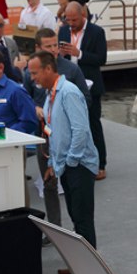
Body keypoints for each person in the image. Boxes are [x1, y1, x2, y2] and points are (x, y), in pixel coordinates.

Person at [28, 50, 99, 274]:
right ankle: (77, 265)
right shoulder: (51, 95)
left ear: (49, 69)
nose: (32, 78)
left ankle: (89, 272)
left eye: (35, 73)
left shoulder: (68, 93)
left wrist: (68, 162)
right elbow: (52, 129)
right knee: (76, 216)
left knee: (82, 219)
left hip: (77, 166)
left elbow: (80, 131)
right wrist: (52, 164)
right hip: (66, 165)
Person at [23, 28, 89, 231]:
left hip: (69, 141)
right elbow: (24, 100)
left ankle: (81, 244)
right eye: (48, 46)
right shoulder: (29, 74)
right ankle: (55, 228)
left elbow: (87, 101)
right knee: (49, 184)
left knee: (75, 197)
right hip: (45, 138)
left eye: (55, 45)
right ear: (38, 49)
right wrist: (35, 109)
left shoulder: (71, 72)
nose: (53, 50)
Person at [59, 2, 108, 180]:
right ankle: (75, 161)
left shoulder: (97, 32)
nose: (70, 23)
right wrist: (60, 54)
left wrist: (78, 53)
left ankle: (101, 164)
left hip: (90, 86)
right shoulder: (63, 31)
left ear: (83, 15)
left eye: (74, 19)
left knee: (93, 124)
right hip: (67, 86)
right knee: (71, 126)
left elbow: (101, 59)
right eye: (68, 19)